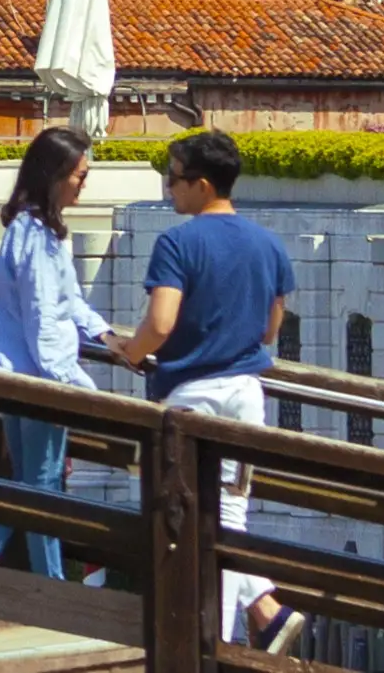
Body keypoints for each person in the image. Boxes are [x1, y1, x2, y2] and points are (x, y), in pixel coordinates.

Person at [106, 128, 305, 652]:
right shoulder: (269, 244)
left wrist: (130, 350)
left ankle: (209, 642)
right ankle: (263, 611)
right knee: (231, 515)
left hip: (190, 395)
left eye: (172, 180)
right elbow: (269, 330)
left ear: (199, 185)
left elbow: (161, 324)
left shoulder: (178, 242)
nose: (168, 190)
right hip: (246, 391)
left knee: (179, 520)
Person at [0, 125, 113, 579]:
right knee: (44, 483)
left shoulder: (29, 229)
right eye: (80, 175)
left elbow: (67, 304)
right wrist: (72, 385)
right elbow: (46, 320)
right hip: (40, 377)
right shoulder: (41, 237)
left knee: (29, 478)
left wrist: (102, 334)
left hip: (16, 371)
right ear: (56, 175)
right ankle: (50, 583)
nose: (84, 183)